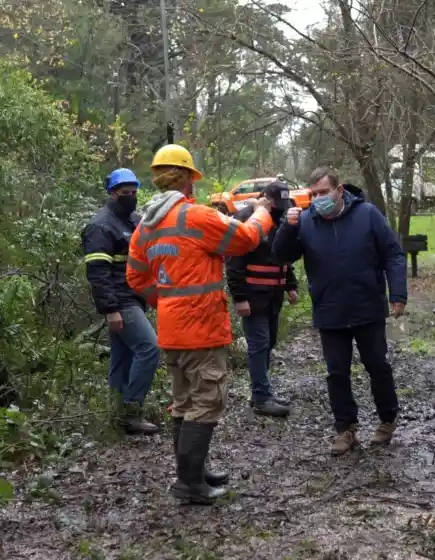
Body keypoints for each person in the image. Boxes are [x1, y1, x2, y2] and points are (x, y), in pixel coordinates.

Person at [127, 144, 275, 504]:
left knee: (184, 402)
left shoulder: (146, 226)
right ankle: (190, 485)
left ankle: (191, 474)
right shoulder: (195, 216)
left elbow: (136, 277)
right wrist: (261, 212)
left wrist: (167, 303)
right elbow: (246, 238)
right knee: (207, 401)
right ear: (188, 180)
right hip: (201, 329)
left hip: (172, 330)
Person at [271, 167, 408, 455]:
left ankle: (387, 419)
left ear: (339, 190)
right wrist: (287, 227)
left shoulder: (367, 215)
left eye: (323, 192)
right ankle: (345, 429)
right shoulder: (305, 221)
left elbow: (393, 253)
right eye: (314, 194)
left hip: (367, 306)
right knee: (336, 373)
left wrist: (397, 294)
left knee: (377, 366)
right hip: (329, 309)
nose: (318, 199)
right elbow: (282, 256)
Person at [82, 168, 159, 436]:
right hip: (121, 301)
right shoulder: (100, 226)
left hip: (135, 298)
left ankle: (117, 414)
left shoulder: (134, 221)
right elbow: (98, 274)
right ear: (113, 193)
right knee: (149, 348)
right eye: (126, 192)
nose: (132, 196)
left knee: (122, 356)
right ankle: (131, 410)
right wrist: (111, 310)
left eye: (134, 192)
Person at [225, 181, 299, 418]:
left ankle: (262, 391)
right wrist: (239, 298)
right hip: (253, 295)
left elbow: (282, 255)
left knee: (269, 343)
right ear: (265, 198)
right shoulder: (246, 219)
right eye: (277, 204)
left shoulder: (279, 219)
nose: (280, 209)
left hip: (273, 295)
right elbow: (233, 261)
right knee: (259, 344)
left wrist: (291, 285)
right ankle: (261, 397)